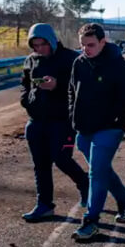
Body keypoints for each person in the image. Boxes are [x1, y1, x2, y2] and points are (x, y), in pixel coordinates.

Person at [69, 23, 125, 241]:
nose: (86, 49)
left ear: (102, 42)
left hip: (109, 127)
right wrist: (73, 115)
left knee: (96, 172)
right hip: (84, 128)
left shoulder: (121, 67)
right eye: (82, 45)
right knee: (101, 169)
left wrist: (110, 116)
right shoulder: (79, 63)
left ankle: (91, 221)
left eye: (90, 45)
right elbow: (71, 91)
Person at [19, 23, 89, 222]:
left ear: (51, 40)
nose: (39, 49)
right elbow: (24, 84)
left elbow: (81, 88)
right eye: (35, 45)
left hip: (62, 121)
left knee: (62, 158)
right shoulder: (30, 60)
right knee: (40, 165)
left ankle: (85, 184)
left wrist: (58, 86)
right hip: (36, 121)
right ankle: (44, 205)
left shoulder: (71, 58)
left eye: (42, 44)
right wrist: (26, 101)